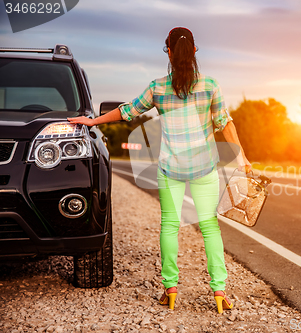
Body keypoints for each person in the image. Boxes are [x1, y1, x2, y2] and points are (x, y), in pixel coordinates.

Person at [68, 27, 251, 314]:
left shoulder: (157, 87)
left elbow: (127, 111)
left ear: (168, 51)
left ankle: (171, 288)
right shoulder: (211, 85)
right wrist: (242, 158)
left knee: (170, 226)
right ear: (193, 51)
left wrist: (92, 122)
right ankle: (219, 291)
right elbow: (225, 124)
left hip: (171, 167)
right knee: (209, 227)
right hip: (204, 167)